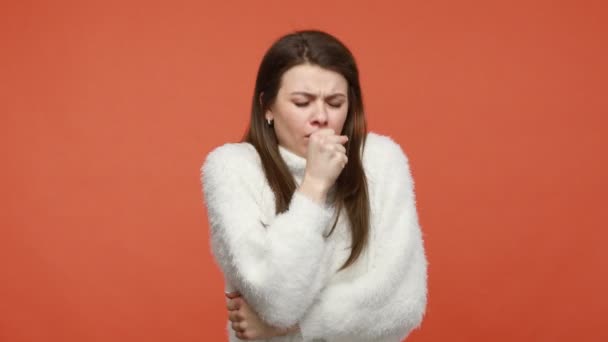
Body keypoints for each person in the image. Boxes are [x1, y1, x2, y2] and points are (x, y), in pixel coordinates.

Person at [200, 29, 427, 342]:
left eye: (335, 103)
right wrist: (314, 186)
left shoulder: (381, 159)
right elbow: (276, 301)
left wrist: (293, 327)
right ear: (267, 106)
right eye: (302, 102)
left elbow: (405, 304)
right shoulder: (231, 168)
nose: (321, 117)